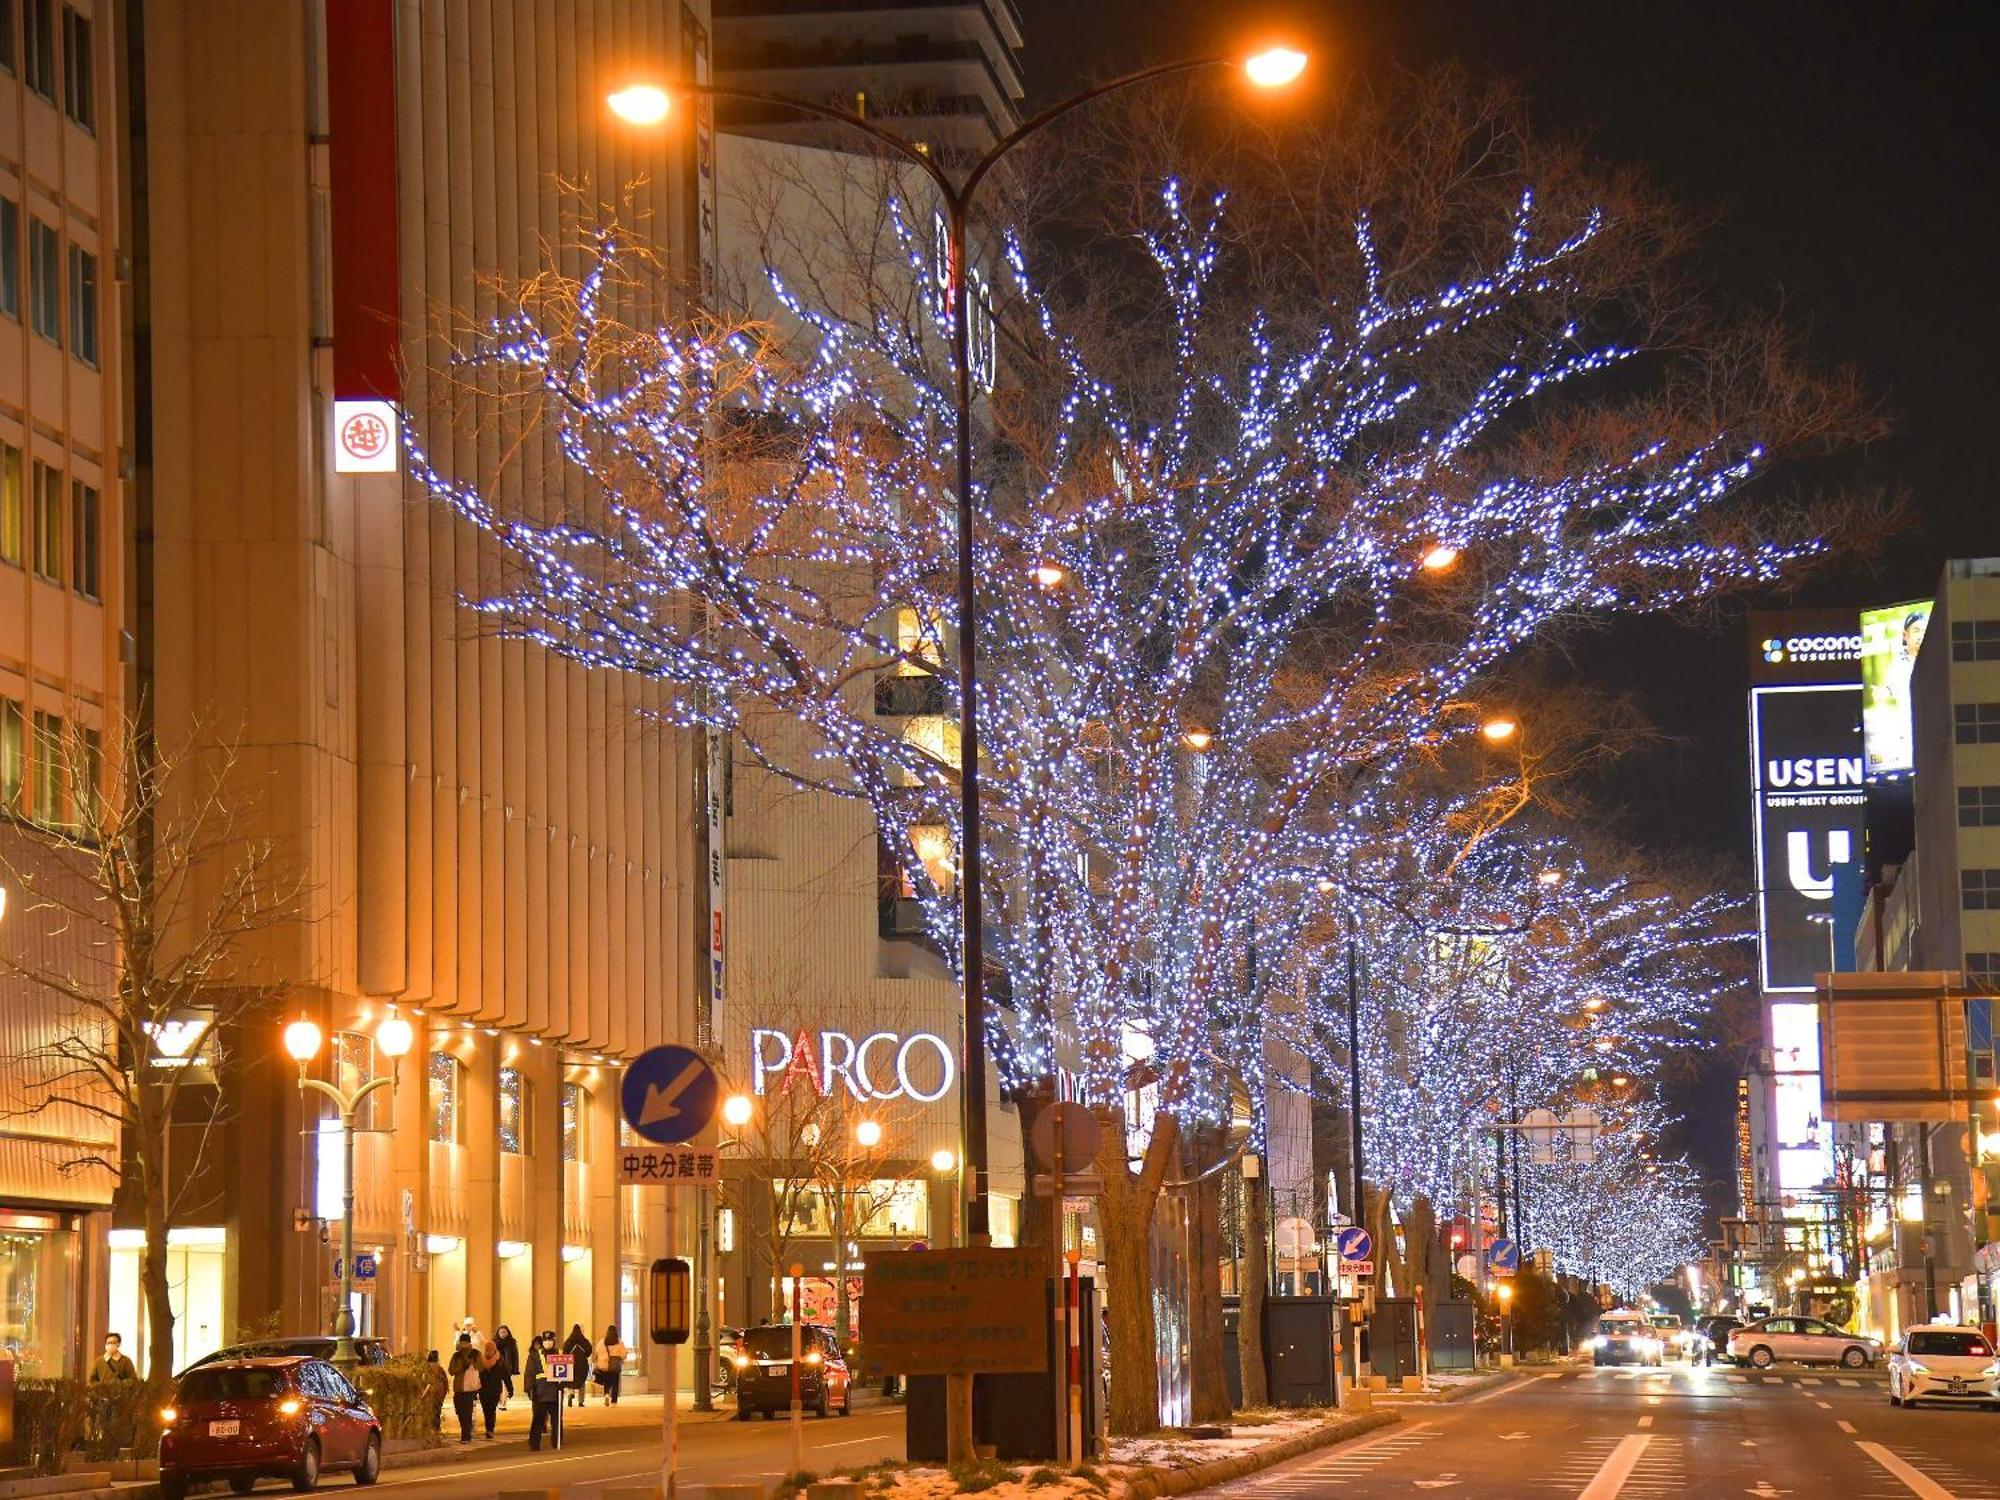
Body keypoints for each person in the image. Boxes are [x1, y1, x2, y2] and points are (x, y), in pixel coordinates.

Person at [524, 1329, 564, 1451]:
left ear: (554, 1341)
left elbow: (567, 1373)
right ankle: (534, 1443)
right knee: (538, 1419)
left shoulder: (561, 1355)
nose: (547, 1342)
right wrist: (529, 1389)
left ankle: (557, 1441)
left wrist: (564, 1386)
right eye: (545, 1340)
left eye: (550, 1340)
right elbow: (529, 1373)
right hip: (539, 1392)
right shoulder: (535, 1355)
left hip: (555, 1391)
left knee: (556, 1419)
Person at [447, 1334, 482, 1444]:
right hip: (459, 1388)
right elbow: (451, 1370)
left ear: (469, 1343)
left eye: (464, 1342)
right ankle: (466, 1432)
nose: (462, 1344)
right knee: (460, 1412)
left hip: (470, 1389)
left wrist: (473, 1364)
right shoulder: (456, 1355)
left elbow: (481, 1368)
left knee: (467, 1412)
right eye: (461, 1342)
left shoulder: (476, 1353)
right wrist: (462, 1367)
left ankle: (465, 1436)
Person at [477, 1339, 506, 1438]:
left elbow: (505, 1375)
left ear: (494, 1350)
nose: (488, 1352)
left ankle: (490, 1429)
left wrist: (510, 1388)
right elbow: (477, 1375)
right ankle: (488, 1428)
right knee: (486, 1410)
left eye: (490, 1350)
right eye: (487, 1350)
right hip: (483, 1389)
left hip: (495, 1390)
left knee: (491, 1410)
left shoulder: (500, 1360)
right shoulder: (480, 1360)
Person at [594, 1326, 628, 1405]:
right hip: (615, 1364)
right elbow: (624, 1353)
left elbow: (597, 1351)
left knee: (607, 1381)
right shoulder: (619, 1342)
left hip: (605, 1365)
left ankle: (606, 1394)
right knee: (615, 1382)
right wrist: (621, 1358)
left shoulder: (602, 1342)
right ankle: (614, 1400)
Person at [562, 1323, 593, 1407]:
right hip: (582, 1364)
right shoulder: (584, 1340)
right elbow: (589, 1351)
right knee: (582, 1381)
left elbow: (564, 1351)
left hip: (571, 1363)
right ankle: (580, 1401)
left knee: (570, 1381)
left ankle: (570, 1394)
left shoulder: (568, 1341)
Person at [494, 1324, 521, 1409]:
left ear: (508, 1333)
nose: (502, 1334)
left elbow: (515, 1356)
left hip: (507, 1367)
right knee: (497, 1385)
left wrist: (515, 1368)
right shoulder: (494, 1342)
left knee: (505, 1385)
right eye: (501, 1332)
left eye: (504, 1332)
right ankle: (498, 1401)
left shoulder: (512, 1342)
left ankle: (503, 1403)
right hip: (496, 1367)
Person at [422, 1349, 448, 1433]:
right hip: (438, 1394)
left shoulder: (425, 1368)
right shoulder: (439, 1369)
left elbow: (422, 1381)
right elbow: (445, 1382)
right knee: (436, 1413)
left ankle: (429, 1429)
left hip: (428, 1394)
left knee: (428, 1413)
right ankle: (436, 1430)